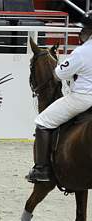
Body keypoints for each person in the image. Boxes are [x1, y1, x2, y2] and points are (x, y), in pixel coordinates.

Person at [26, 11, 92, 183]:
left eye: (84, 29)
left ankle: (41, 169)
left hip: (82, 98)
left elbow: (59, 74)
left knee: (42, 121)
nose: (81, 32)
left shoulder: (82, 52)